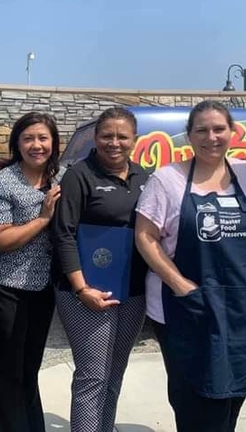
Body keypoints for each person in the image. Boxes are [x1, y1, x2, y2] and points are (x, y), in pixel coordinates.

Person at [135, 100, 246, 432]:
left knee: (234, 394)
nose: (211, 137)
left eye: (219, 129)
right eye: (201, 130)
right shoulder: (166, 179)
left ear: (233, 132)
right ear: (189, 136)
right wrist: (179, 284)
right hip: (188, 307)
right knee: (196, 400)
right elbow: (145, 237)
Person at [52, 106, 149, 432]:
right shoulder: (79, 175)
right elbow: (63, 234)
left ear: (134, 140)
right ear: (96, 137)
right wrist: (81, 289)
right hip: (86, 292)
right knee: (92, 376)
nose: (114, 142)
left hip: (133, 291)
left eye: (122, 136)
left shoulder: (144, 177)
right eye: (107, 135)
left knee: (114, 374)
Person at [0, 112, 63, 432]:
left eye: (43, 138)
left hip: (43, 289)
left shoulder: (59, 180)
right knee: (6, 372)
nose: (36, 145)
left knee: (30, 369)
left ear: (54, 143)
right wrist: (42, 219)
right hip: (7, 289)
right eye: (28, 138)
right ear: (17, 143)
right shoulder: (2, 182)